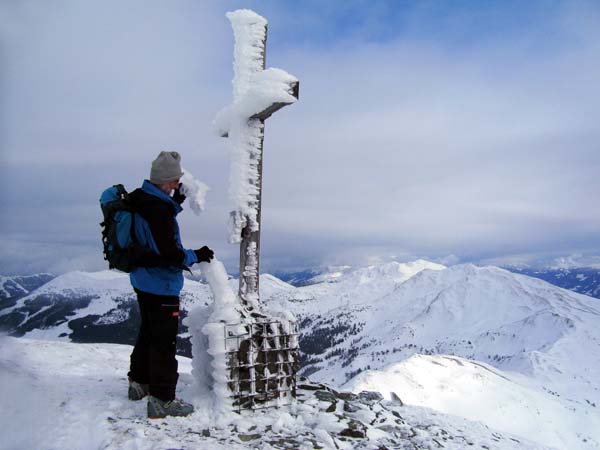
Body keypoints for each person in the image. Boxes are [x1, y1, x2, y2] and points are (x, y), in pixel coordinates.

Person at [126, 151, 214, 419]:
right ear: (165, 181)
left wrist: (175, 203)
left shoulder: (140, 198)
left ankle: (138, 382)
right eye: (175, 182)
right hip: (161, 283)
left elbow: (154, 228)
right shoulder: (159, 211)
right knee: (163, 342)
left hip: (142, 279)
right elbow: (171, 254)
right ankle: (163, 399)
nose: (177, 185)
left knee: (148, 333)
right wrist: (197, 255)